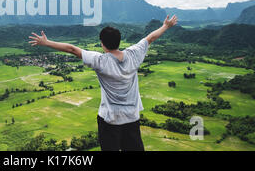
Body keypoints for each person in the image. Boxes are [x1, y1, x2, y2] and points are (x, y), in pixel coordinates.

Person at [28, 15, 178, 151]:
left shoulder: (100, 61)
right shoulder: (134, 54)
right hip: (132, 117)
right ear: (119, 41)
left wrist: (46, 42)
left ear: (102, 44)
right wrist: (166, 26)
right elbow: (150, 38)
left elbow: (72, 49)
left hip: (109, 120)